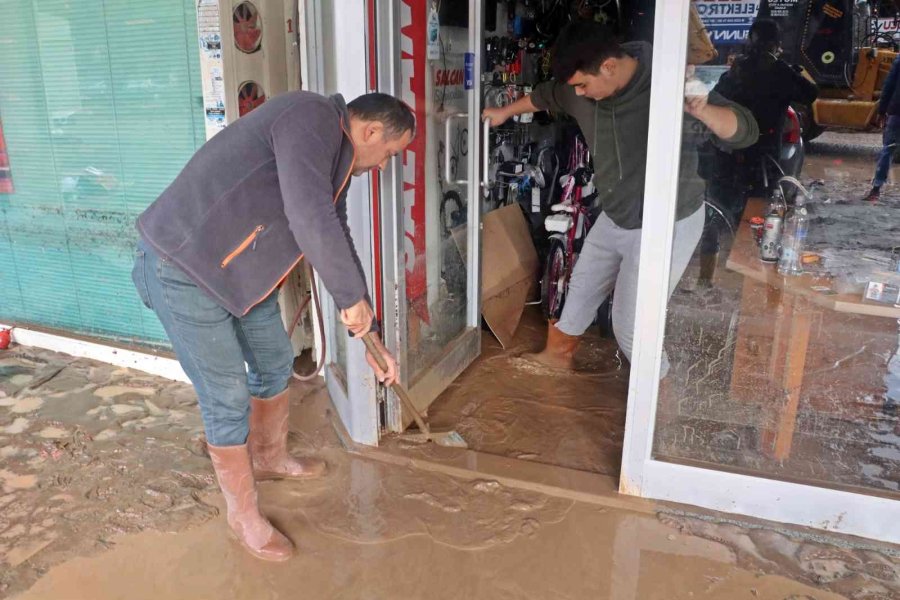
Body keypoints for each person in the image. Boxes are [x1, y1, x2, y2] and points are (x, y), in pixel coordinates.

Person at [131, 91, 413, 561]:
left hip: (238, 275)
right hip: (182, 267)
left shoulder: (334, 159)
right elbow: (309, 217)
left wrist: (371, 332)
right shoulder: (310, 117)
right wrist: (350, 301)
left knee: (275, 360)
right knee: (226, 396)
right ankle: (242, 515)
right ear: (369, 132)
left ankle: (268, 457)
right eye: (389, 154)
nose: (385, 166)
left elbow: (334, 231)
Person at [482, 20, 758, 372]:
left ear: (610, 67)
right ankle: (556, 359)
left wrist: (701, 108)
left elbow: (744, 130)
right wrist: (503, 112)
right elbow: (545, 95)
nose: (578, 94)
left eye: (583, 84)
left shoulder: (668, 81)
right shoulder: (578, 88)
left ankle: (658, 397)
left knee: (631, 325)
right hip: (616, 213)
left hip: (667, 221)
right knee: (579, 291)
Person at [698, 17, 819, 286]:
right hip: (762, 159)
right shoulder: (780, 71)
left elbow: (717, 96)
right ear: (776, 44)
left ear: (750, 40)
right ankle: (750, 281)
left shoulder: (738, 69)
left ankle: (705, 280)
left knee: (715, 218)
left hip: (728, 154)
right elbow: (811, 93)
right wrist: (795, 70)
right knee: (759, 219)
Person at [862, 48, 900, 202]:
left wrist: (882, 110)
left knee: (889, 149)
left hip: (897, 111)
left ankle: (876, 189)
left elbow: (888, 86)